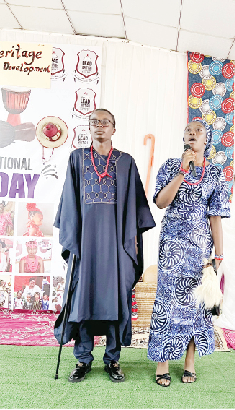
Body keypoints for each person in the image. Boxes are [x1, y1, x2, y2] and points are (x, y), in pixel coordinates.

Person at [54, 108, 156, 383]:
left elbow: (137, 208)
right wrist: (72, 241)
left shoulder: (125, 162)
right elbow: (68, 202)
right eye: (94, 122)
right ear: (89, 127)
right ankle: (83, 359)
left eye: (105, 122)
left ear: (114, 128)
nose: (99, 126)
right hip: (86, 244)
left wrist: (132, 246)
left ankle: (113, 359)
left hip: (116, 246)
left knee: (114, 300)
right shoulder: (77, 158)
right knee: (83, 299)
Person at [147, 120, 230, 386]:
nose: (192, 134)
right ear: (183, 137)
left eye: (198, 131)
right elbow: (161, 203)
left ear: (207, 138)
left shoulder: (216, 173)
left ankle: (189, 363)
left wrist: (219, 254)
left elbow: (215, 216)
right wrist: (182, 172)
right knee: (167, 301)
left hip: (200, 249)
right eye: (188, 131)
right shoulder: (171, 166)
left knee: (196, 305)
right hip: (172, 245)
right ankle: (163, 363)